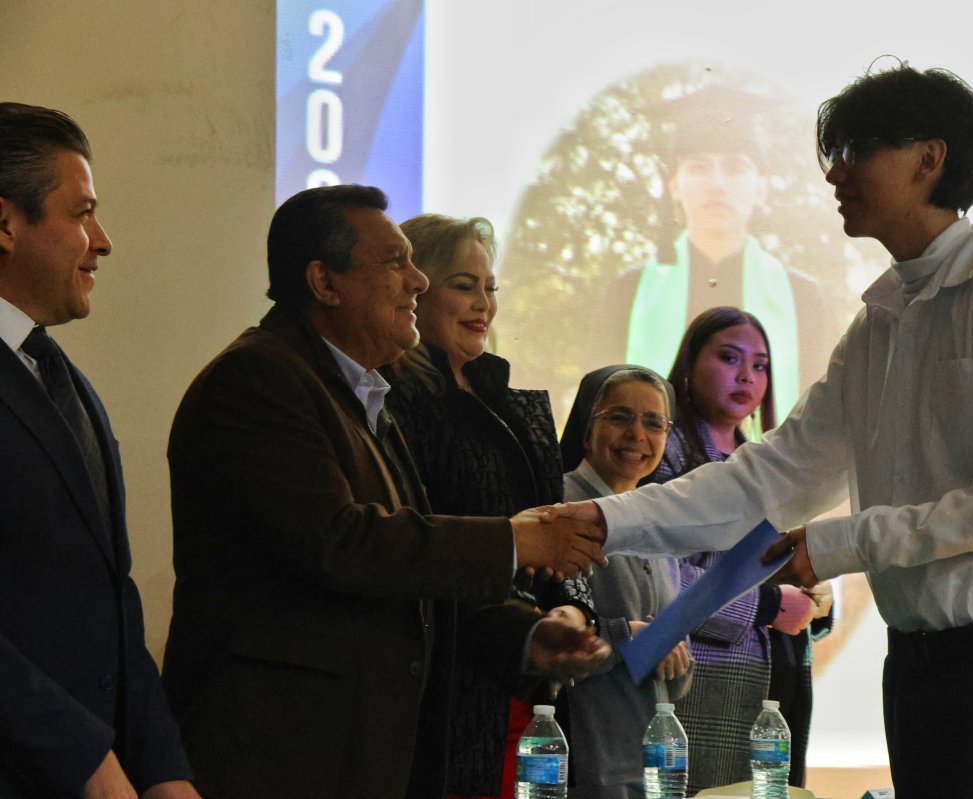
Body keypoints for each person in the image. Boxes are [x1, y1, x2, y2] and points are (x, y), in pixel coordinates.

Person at [555, 63, 973, 798]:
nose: (836, 173)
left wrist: (839, 543)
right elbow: (768, 477)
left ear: (929, 158)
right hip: (916, 670)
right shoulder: (878, 324)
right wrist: (601, 520)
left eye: (856, 150)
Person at [160, 185, 607, 799]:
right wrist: (513, 540)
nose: (417, 282)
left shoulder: (363, 395)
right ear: (324, 281)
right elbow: (339, 542)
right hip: (278, 752)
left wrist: (527, 635)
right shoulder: (258, 377)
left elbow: (412, 577)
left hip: (353, 751)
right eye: (396, 262)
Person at [0, 103, 198, 798]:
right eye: (82, 213)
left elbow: (112, 600)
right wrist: (88, 760)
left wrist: (164, 768)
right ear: (6, 225)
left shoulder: (63, 377)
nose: (102, 241)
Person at [382, 213, 597, 799]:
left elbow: (551, 529)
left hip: (526, 693)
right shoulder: (395, 405)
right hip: (443, 693)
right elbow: (417, 550)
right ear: (415, 289)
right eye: (463, 285)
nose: (483, 304)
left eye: (491, 287)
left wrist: (570, 611)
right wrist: (523, 627)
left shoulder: (511, 405)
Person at [650, 307, 831, 791]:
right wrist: (766, 605)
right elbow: (657, 577)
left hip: (773, 678)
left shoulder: (766, 462)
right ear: (689, 365)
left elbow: (775, 567)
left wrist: (813, 594)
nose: (747, 376)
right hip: (701, 682)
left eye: (760, 365)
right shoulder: (664, 454)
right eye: (729, 358)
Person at [601, 83, 834, 417]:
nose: (717, 184)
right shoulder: (628, 293)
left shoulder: (803, 298)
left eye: (735, 167)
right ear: (674, 186)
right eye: (698, 167)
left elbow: (821, 419)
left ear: (761, 188)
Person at [558, 365, 692, 799]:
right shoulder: (559, 508)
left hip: (649, 766)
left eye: (654, 423)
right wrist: (627, 637)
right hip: (577, 760)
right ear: (587, 429)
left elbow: (677, 667)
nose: (637, 434)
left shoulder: (659, 520)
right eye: (619, 417)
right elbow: (542, 634)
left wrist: (671, 649)